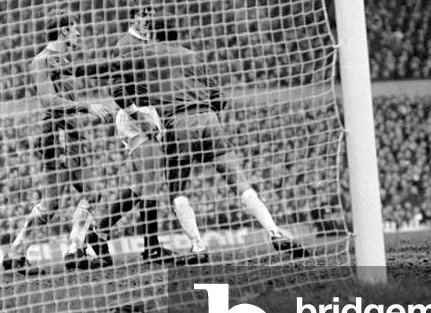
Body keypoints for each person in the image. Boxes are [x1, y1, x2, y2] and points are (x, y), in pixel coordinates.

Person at [113, 16, 311, 262]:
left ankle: (198, 247)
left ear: (153, 35)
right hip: (209, 118)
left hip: (178, 122)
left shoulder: (145, 57)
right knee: (238, 180)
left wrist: (145, 110)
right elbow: (219, 97)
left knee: (176, 189)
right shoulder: (192, 56)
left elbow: (119, 91)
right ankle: (275, 232)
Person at [1, 9, 113, 274]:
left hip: (64, 134)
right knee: (92, 193)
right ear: (63, 30)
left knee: (51, 204)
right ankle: (75, 248)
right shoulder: (42, 61)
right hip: (62, 135)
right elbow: (48, 101)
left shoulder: (63, 59)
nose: (78, 33)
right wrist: (88, 107)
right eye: (75, 28)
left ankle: (16, 252)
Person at [85, 0, 179, 266]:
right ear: (133, 17)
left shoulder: (146, 44)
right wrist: (140, 116)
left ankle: (100, 234)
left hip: (146, 113)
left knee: (143, 185)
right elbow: (116, 90)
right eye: (144, 13)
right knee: (150, 182)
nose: (149, 17)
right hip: (133, 115)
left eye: (152, 12)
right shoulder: (125, 46)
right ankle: (149, 247)